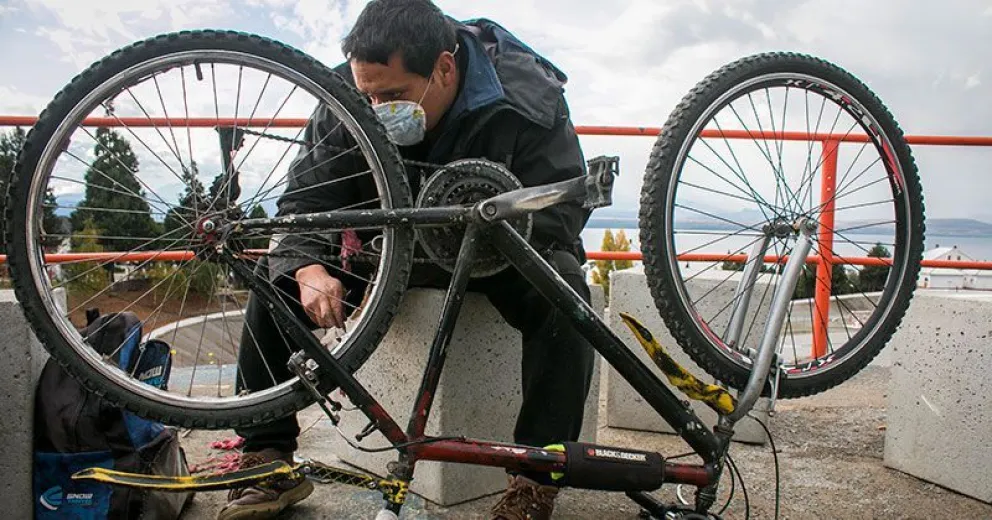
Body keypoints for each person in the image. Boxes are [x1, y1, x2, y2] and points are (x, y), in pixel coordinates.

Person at [218, 1, 595, 519]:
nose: (374, 107)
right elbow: (302, 206)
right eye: (366, 95)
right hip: (381, 247)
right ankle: (267, 454)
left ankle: (535, 479)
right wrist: (307, 270)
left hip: (491, 250)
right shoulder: (346, 95)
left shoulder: (528, 96)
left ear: (444, 67)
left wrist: (485, 229)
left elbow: (564, 209)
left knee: (567, 292)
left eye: (392, 96)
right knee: (275, 274)